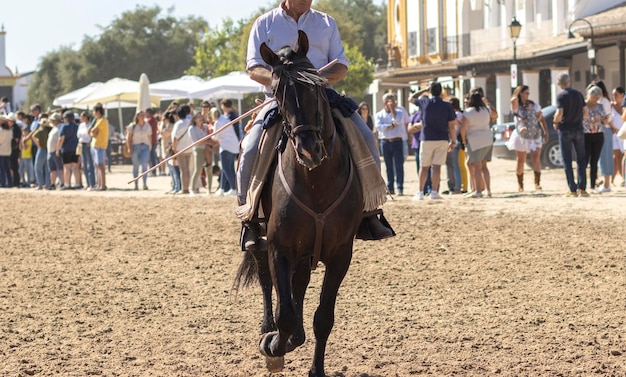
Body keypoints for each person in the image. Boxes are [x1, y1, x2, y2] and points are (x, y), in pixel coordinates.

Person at [238, 0, 392, 251]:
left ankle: (369, 213)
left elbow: (340, 65)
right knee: (251, 146)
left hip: (321, 95)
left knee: (366, 136)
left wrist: (314, 80)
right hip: (280, 98)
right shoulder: (264, 23)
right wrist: (284, 80)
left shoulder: (326, 22)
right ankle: (250, 220)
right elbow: (254, 68)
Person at [410, 81, 457, 200]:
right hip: (442, 139)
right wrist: (453, 141)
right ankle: (434, 192)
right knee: (437, 167)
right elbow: (452, 125)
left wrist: (424, 89)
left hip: (427, 138)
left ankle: (420, 192)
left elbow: (411, 98)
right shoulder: (447, 106)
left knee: (424, 167)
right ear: (441, 91)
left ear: (430, 91)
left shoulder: (425, 102)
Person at [553, 73, 587, 197]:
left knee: (567, 159)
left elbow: (559, 112)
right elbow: (586, 112)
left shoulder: (561, 96)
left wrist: (555, 122)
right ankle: (582, 188)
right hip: (578, 128)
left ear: (559, 84)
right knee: (581, 159)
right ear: (570, 81)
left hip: (565, 128)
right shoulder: (578, 94)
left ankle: (572, 189)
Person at [509, 85, 548, 191]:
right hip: (521, 135)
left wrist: (545, 132)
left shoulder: (534, 105)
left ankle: (537, 183)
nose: (527, 95)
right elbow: (513, 100)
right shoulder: (517, 106)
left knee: (536, 158)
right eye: (525, 93)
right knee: (521, 160)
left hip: (535, 134)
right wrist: (517, 94)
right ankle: (520, 184)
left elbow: (541, 118)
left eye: (528, 93)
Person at [460, 92, 494, 198]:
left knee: (476, 167)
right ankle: (488, 190)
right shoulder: (487, 110)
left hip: (475, 140)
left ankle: (478, 191)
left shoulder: (468, 112)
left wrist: (463, 140)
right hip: (488, 138)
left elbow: (463, 128)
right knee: (484, 167)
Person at [375, 93, 409, 195]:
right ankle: (390, 187)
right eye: (391, 101)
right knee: (388, 166)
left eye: (394, 101)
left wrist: (393, 111)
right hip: (385, 142)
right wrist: (392, 125)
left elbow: (398, 121)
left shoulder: (399, 112)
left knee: (399, 165)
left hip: (397, 141)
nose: (394, 103)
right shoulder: (379, 114)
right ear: (385, 102)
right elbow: (380, 128)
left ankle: (400, 187)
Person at [582, 85, 607, 193]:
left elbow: (605, 121)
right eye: (595, 98)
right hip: (586, 134)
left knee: (594, 160)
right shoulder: (583, 105)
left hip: (598, 134)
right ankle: (582, 184)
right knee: (584, 160)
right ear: (590, 96)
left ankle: (593, 185)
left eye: (598, 98)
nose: (596, 100)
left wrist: (604, 119)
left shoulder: (600, 106)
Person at [592, 80, 616, 193]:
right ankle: (605, 182)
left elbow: (606, 118)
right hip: (604, 129)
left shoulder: (603, 101)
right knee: (603, 157)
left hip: (604, 129)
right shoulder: (604, 101)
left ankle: (606, 184)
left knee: (604, 156)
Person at [212, 105, 239, 196]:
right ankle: (222, 188)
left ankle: (234, 188)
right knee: (228, 168)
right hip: (233, 146)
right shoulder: (225, 119)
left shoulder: (217, 122)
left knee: (226, 169)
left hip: (225, 147)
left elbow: (215, 137)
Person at [125, 111, 152, 190]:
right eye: (141, 115)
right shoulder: (132, 126)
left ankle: (144, 183)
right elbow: (128, 137)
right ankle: (136, 184)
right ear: (137, 116)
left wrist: (150, 146)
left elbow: (149, 136)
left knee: (144, 164)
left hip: (145, 146)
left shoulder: (147, 126)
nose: (142, 117)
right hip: (135, 146)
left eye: (143, 115)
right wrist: (129, 147)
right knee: (136, 166)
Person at [171, 105, 193, 194]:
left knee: (183, 170)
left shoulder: (178, 124)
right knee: (187, 169)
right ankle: (187, 186)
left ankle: (184, 188)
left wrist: (174, 148)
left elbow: (175, 138)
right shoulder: (189, 122)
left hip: (180, 149)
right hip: (189, 148)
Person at [57, 111, 81, 189]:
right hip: (75, 148)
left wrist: (58, 149)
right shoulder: (77, 126)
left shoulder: (64, 127)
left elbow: (61, 138)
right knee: (75, 166)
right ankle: (77, 184)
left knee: (66, 167)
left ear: (66, 118)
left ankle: (67, 184)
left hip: (66, 149)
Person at [89, 104, 109, 191]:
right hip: (96, 144)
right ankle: (99, 184)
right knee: (98, 165)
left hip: (99, 145)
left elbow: (92, 131)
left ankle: (102, 185)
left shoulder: (102, 120)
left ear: (97, 112)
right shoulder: (97, 120)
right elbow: (91, 132)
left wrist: (92, 132)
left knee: (101, 165)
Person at [31, 116, 51, 190]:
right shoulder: (49, 131)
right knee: (47, 168)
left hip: (41, 149)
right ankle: (47, 184)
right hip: (48, 150)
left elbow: (33, 136)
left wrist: (38, 145)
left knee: (38, 168)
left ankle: (40, 184)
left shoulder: (41, 130)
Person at [77, 111, 96, 189]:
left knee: (90, 164)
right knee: (84, 164)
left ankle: (92, 183)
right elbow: (79, 134)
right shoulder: (81, 125)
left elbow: (89, 134)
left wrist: (89, 140)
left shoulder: (90, 125)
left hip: (88, 144)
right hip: (82, 144)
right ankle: (87, 183)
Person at [610, 86, 625, 186]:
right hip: (615, 134)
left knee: (622, 156)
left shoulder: (624, 106)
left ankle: (620, 177)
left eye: (616, 95)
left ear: (622, 95)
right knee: (617, 156)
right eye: (613, 95)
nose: (614, 97)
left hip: (624, 134)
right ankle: (616, 178)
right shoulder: (611, 106)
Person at [47, 112, 63, 189]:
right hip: (50, 151)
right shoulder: (54, 128)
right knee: (52, 168)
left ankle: (62, 182)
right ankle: (52, 183)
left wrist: (58, 149)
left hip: (56, 150)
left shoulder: (60, 127)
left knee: (60, 167)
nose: (52, 121)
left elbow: (60, 139)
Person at [145, 108, 160, 176]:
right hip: (154, 139)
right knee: (153, 156)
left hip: (150, 140)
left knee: (151, 157)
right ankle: (153, 171)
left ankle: (152, 171)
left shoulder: (149, 120)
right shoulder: (154, 120)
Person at [0, 117, 11, 187]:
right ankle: (9, 182)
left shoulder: (1, 131)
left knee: (1, 168)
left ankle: (2, 183)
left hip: (1, 151)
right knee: (7, 168)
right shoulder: (10, 131)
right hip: (8, 151)